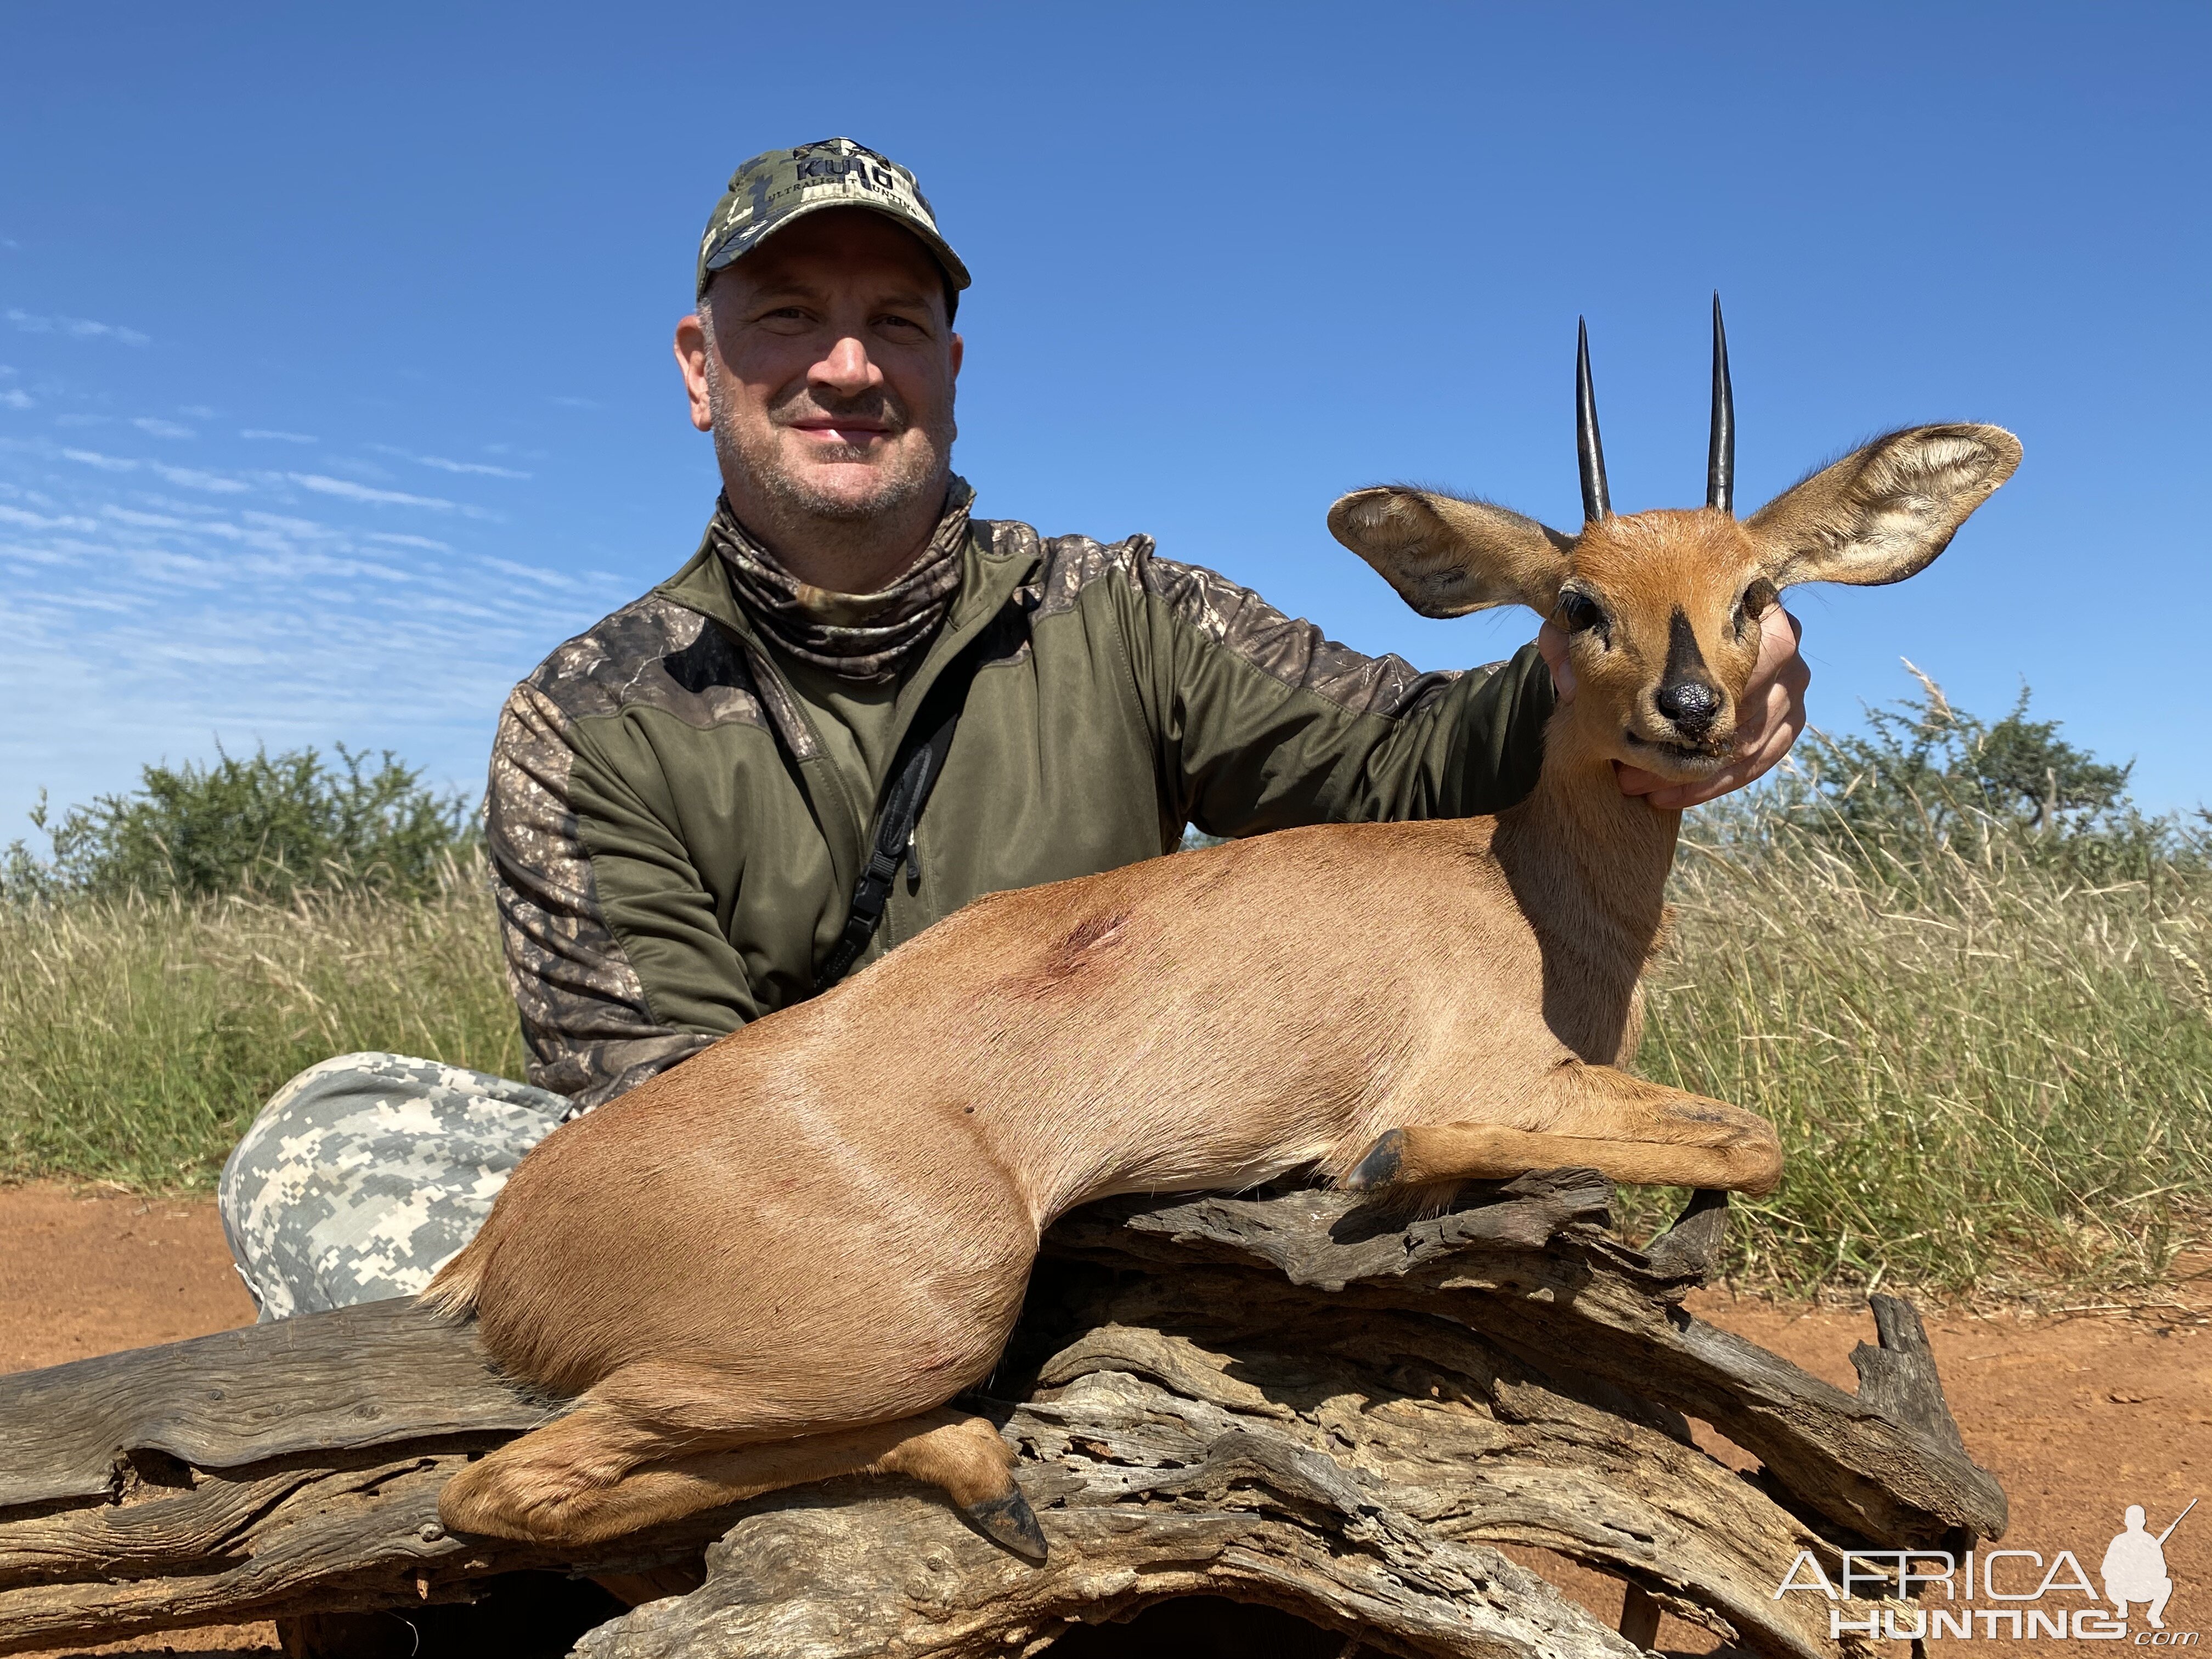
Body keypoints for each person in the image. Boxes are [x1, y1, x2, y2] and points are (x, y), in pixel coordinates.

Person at [219, 136, 1809, 1321]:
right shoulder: (590, 719)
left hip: (1093, 1155)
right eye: (788, 318)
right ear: (702, 369)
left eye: (895, 323)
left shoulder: (1126, 612)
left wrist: (1636, 673)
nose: (848, 365)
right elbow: (663, 1098)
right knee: (334, 1157)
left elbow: (1405, 756)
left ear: (950, 370)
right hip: (836, 1178)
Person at [2103, 1504, 2177, 1628]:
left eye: (2136, 1520)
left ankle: (2154, 1615)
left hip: (2145, 1589)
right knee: (2109, 1583)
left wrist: (2145, 1569)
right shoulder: (2119, 1541)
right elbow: (2106, 1570)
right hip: (2123, 1588)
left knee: (2166, 1583)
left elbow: (2162, 1571)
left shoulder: (2151, 1542)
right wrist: (2124, 1570)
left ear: (2143, 1522)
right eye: (2132, 1520)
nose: (2134, 1523)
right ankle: (2122, 1606)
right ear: (2126, 1522)